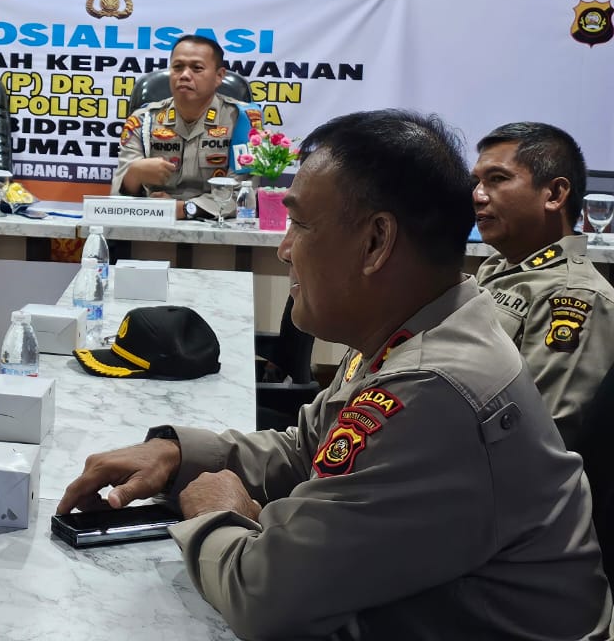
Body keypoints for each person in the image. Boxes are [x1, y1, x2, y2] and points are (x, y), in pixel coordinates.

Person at [62, 110, 611, 640]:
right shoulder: (415, 328)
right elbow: (311, 447)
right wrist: (181, 453)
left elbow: (266, 597)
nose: (284, 249)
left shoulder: (433, 388)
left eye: (299, 224)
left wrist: (217, 514)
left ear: (376, 242)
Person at [472, 122, 614, 448]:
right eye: (476, 182)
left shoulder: (574, 295)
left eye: (497, 179)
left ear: (554, 194)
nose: (478, 195)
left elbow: (542, 439)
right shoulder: (494, 269)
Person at [110, 34, 258, 220]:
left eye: (197, 68)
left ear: (219, 76)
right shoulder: (143, 120)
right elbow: (117, 199)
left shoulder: (243, 120)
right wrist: (134, 174)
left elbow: (243, 194)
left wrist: (183, 209)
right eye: (178, 67)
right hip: (152, 224)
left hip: (218, 227)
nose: (185, 75)